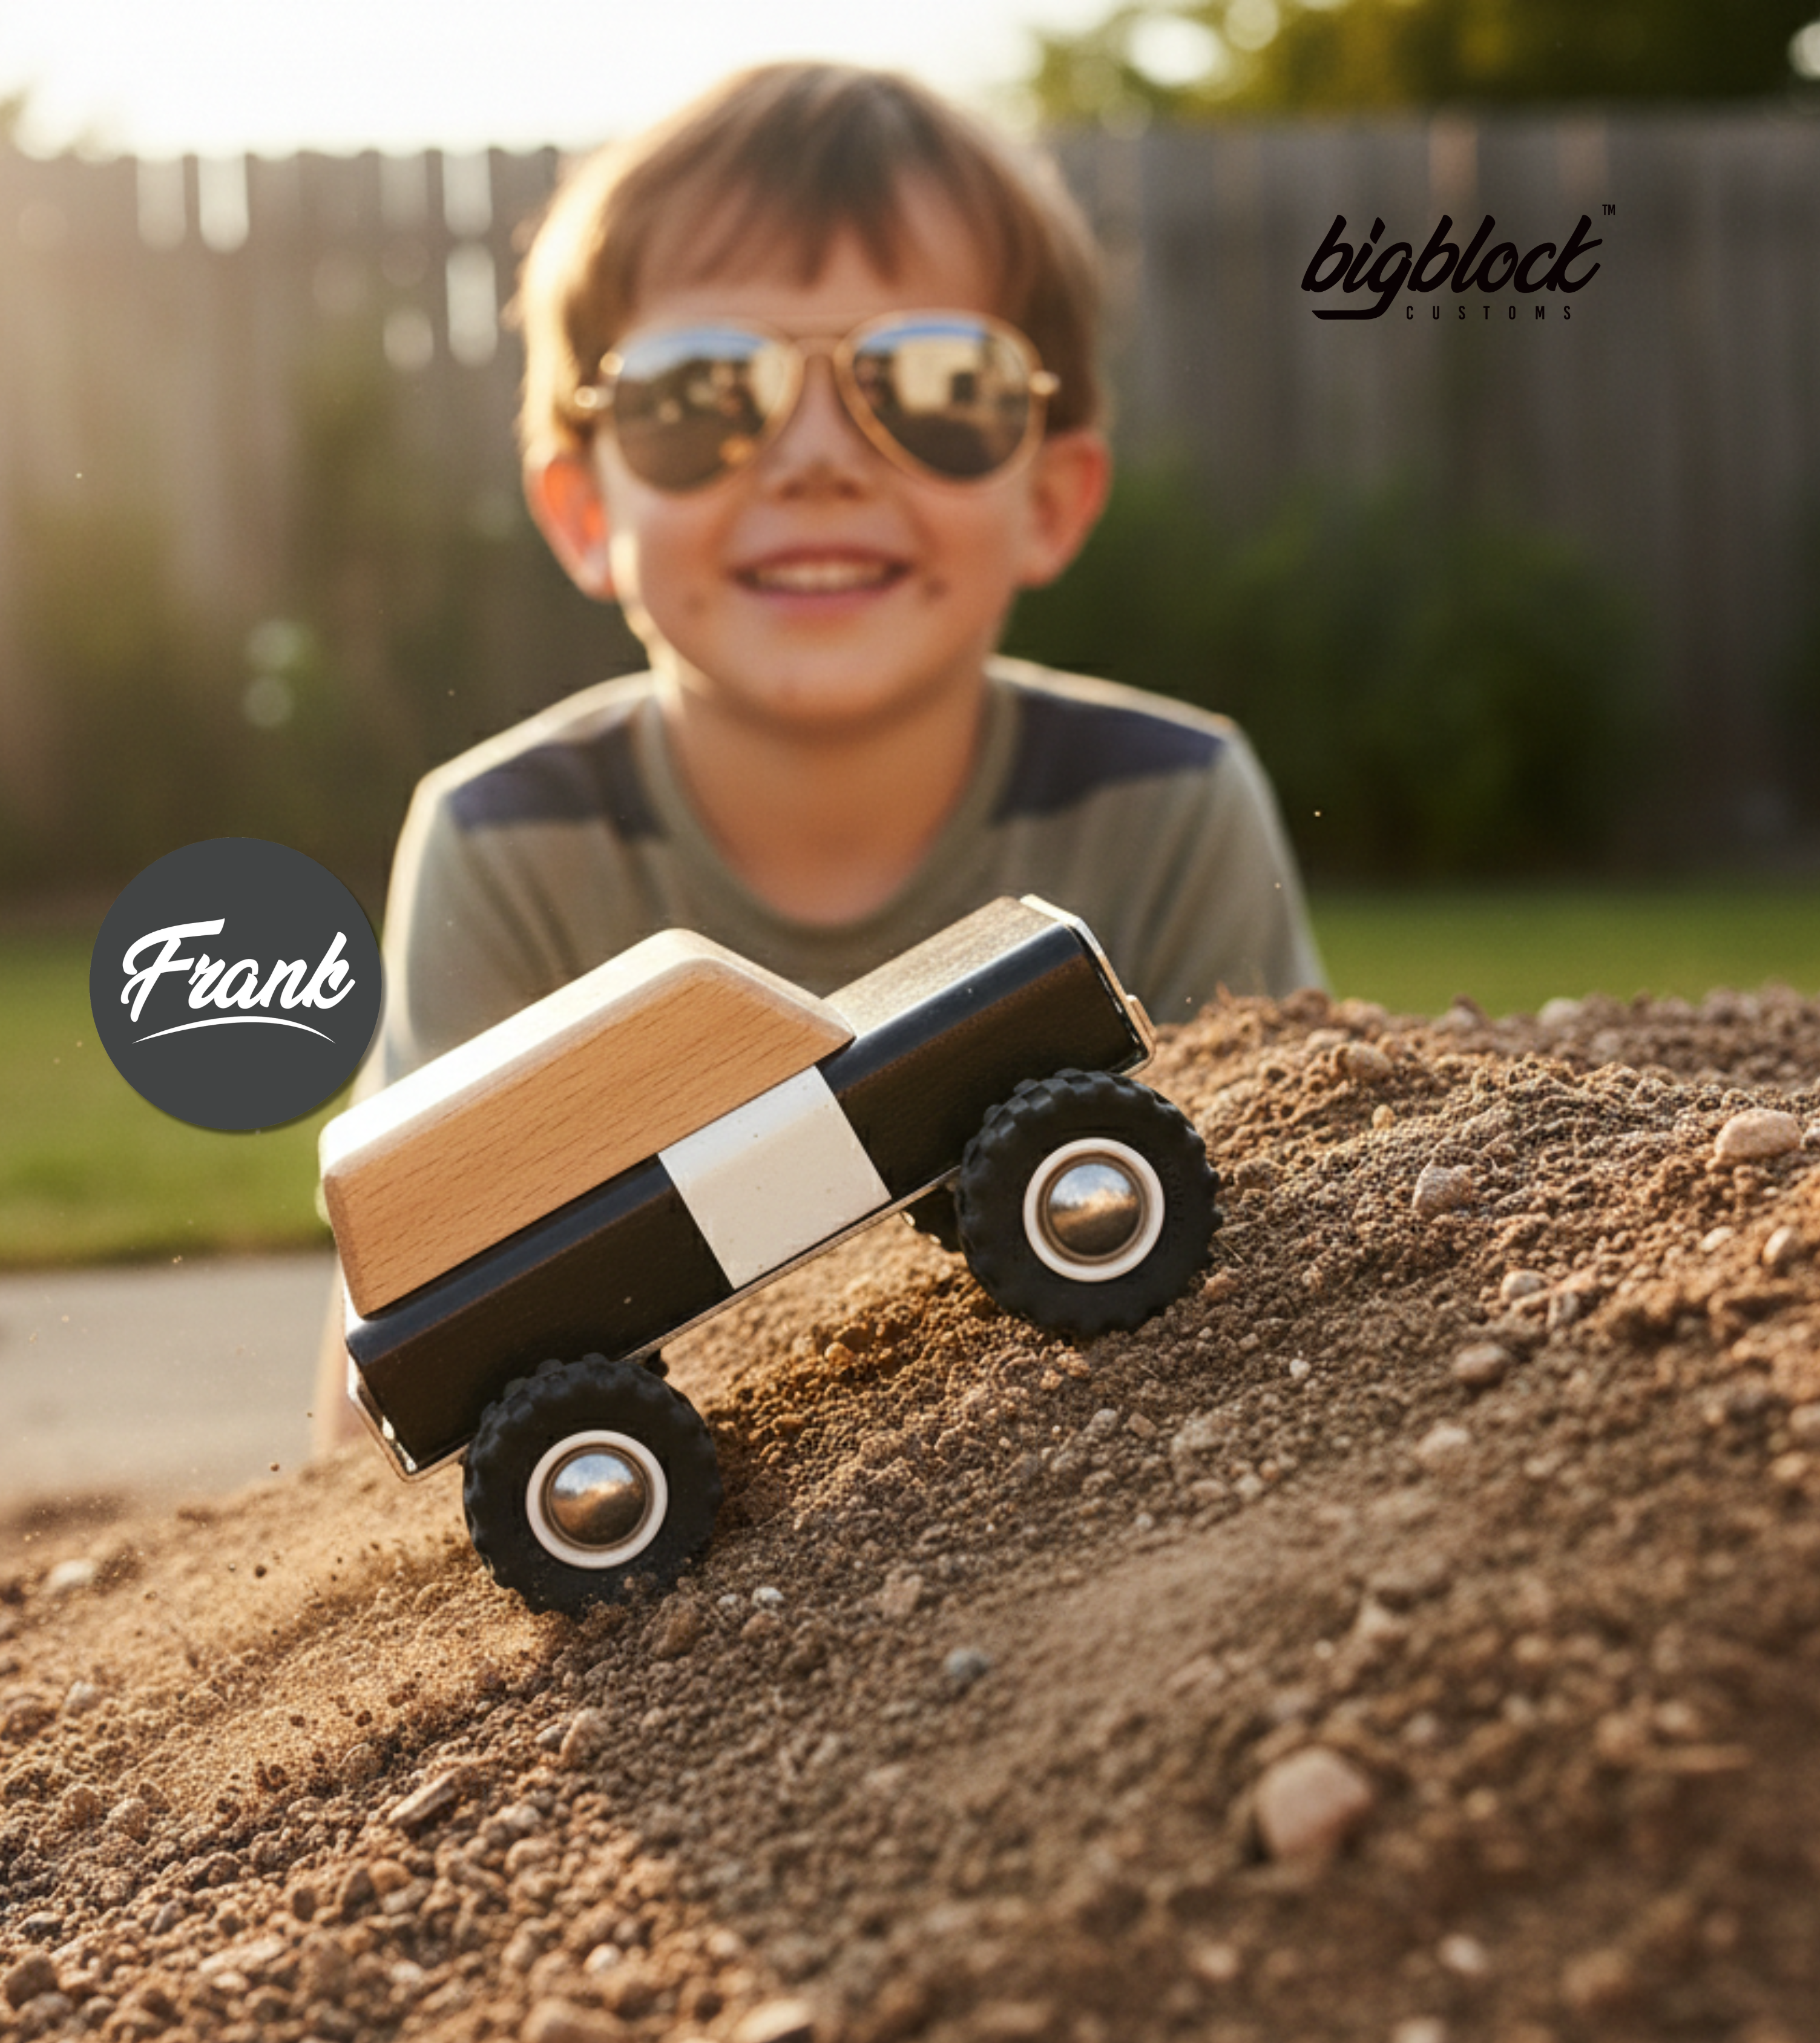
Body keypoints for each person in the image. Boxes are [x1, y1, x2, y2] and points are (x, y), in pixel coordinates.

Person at [312, 61, 1321, 1450]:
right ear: (581, 508)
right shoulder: (507, 840)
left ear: (1053, 495)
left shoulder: (1166, 800)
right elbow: (387, 1367)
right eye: (701, 393)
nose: (815, 458)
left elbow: (1300, 1206)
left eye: (930, 382)